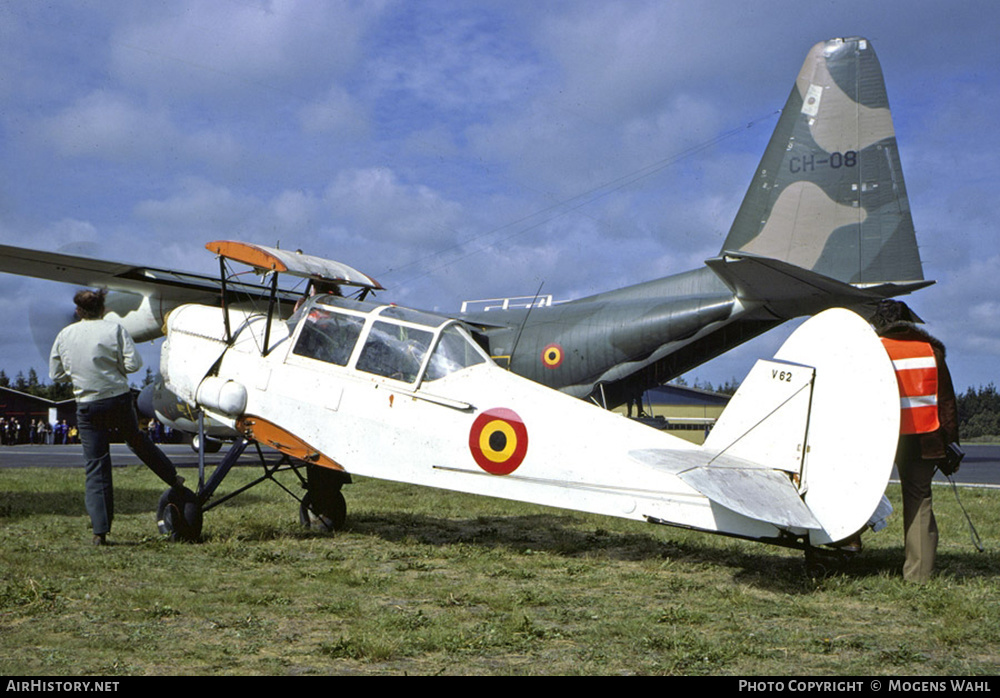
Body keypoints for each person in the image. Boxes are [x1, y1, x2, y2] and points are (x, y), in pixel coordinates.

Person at [49, 289, 184, 546]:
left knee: (96, 464)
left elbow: (56, 375)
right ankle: (172, 478)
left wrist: (78, 375)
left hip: (87, 403)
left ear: (78, 311)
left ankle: (100, 532)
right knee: (136, 439)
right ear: (103, 309)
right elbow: (134, 365)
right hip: (117, 399)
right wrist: (115, 369)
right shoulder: (115, 329)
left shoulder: (65, 334)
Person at [871, 300, 960, 583]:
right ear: (909, 322)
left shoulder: (871, 350)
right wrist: (950, 445)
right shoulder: (931, 353)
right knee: (919, 500)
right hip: (923, 437)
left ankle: (846, 547)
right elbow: (946, 404)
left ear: (878, 323)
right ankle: (918, 576)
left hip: (876, 436)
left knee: (855, 491)